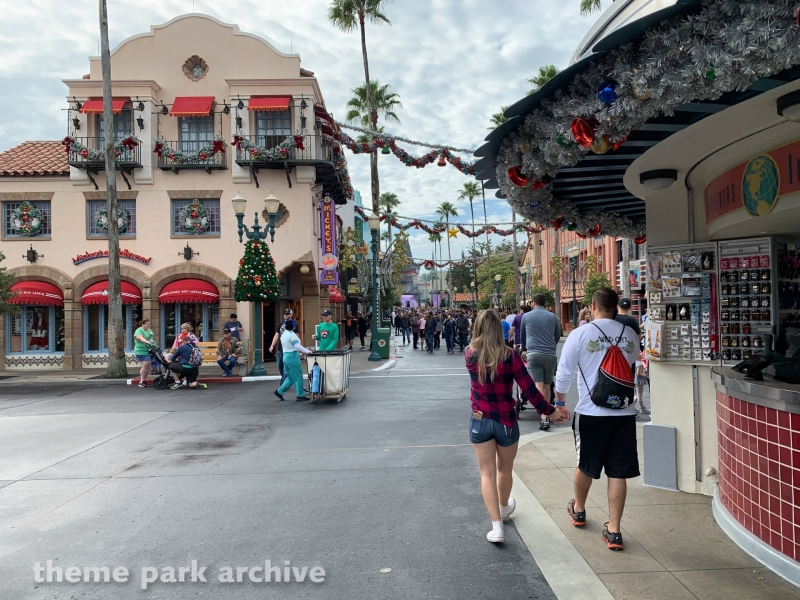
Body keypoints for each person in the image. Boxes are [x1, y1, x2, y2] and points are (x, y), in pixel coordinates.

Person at [467, 310, 569, 543]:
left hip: (480, 419)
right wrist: (550, 411)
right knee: (504, 470)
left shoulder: (469, 354)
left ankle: (497, 527)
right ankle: (504, 507)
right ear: (498, 329)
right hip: (505, 420)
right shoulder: (509, 356)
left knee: (486, 473)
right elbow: (529, 389)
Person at [555, 288, 640, 551]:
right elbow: (633, 363)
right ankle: (614, 531)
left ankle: (579, 509)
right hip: (624, 413)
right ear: (616, 308)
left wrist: (560, 403)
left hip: (591, 413)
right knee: (618, 471)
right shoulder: (630, 335)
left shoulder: (580, 334)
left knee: (585, 464)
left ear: (593, 306)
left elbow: (564, 372)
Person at [521, 295, 562, 431]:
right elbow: (557, 335)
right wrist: (551, 345)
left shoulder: (526, 316)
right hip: (550, 354)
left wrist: (524, 349)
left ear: (533, 302)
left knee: (538, 384)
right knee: (547, 385)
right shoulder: (553, 317)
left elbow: (523, 336)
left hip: (533, 353)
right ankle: (547, 414)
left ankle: (543, 416)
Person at [274, 321, 312, 401]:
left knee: (290, 377)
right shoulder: (292, 335)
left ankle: (280, 391)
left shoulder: (283, 334)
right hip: (292, 356)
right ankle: (300, 395)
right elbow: (297, 346)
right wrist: (307, 351)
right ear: (293, 327)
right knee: (298, 376)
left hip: (285, 356)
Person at [269, 309, 298, 386]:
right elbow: (276, 335)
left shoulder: (294, 324)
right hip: (280, 348)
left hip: (289, 350)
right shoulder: (280, 324)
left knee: (286, 367)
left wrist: (296, 346)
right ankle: (287, 379)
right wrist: (272, 345)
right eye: (284, 313)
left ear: (291, 315)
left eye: (287, 314)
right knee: (279, 365)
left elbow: (296, 336)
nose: (285, 315)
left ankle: (283, 383)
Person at [133, 319, 155, 388]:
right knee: (146, 364)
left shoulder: (149, 330)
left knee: (147, 366)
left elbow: (152, 339)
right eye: (147, 324)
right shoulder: (139, 330)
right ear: (142, 324)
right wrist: (145, 341)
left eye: (149, 324)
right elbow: (139, 337)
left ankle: (144, 380)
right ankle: (141, 381)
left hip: (150, 350)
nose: (148, 325)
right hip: (141, 350)